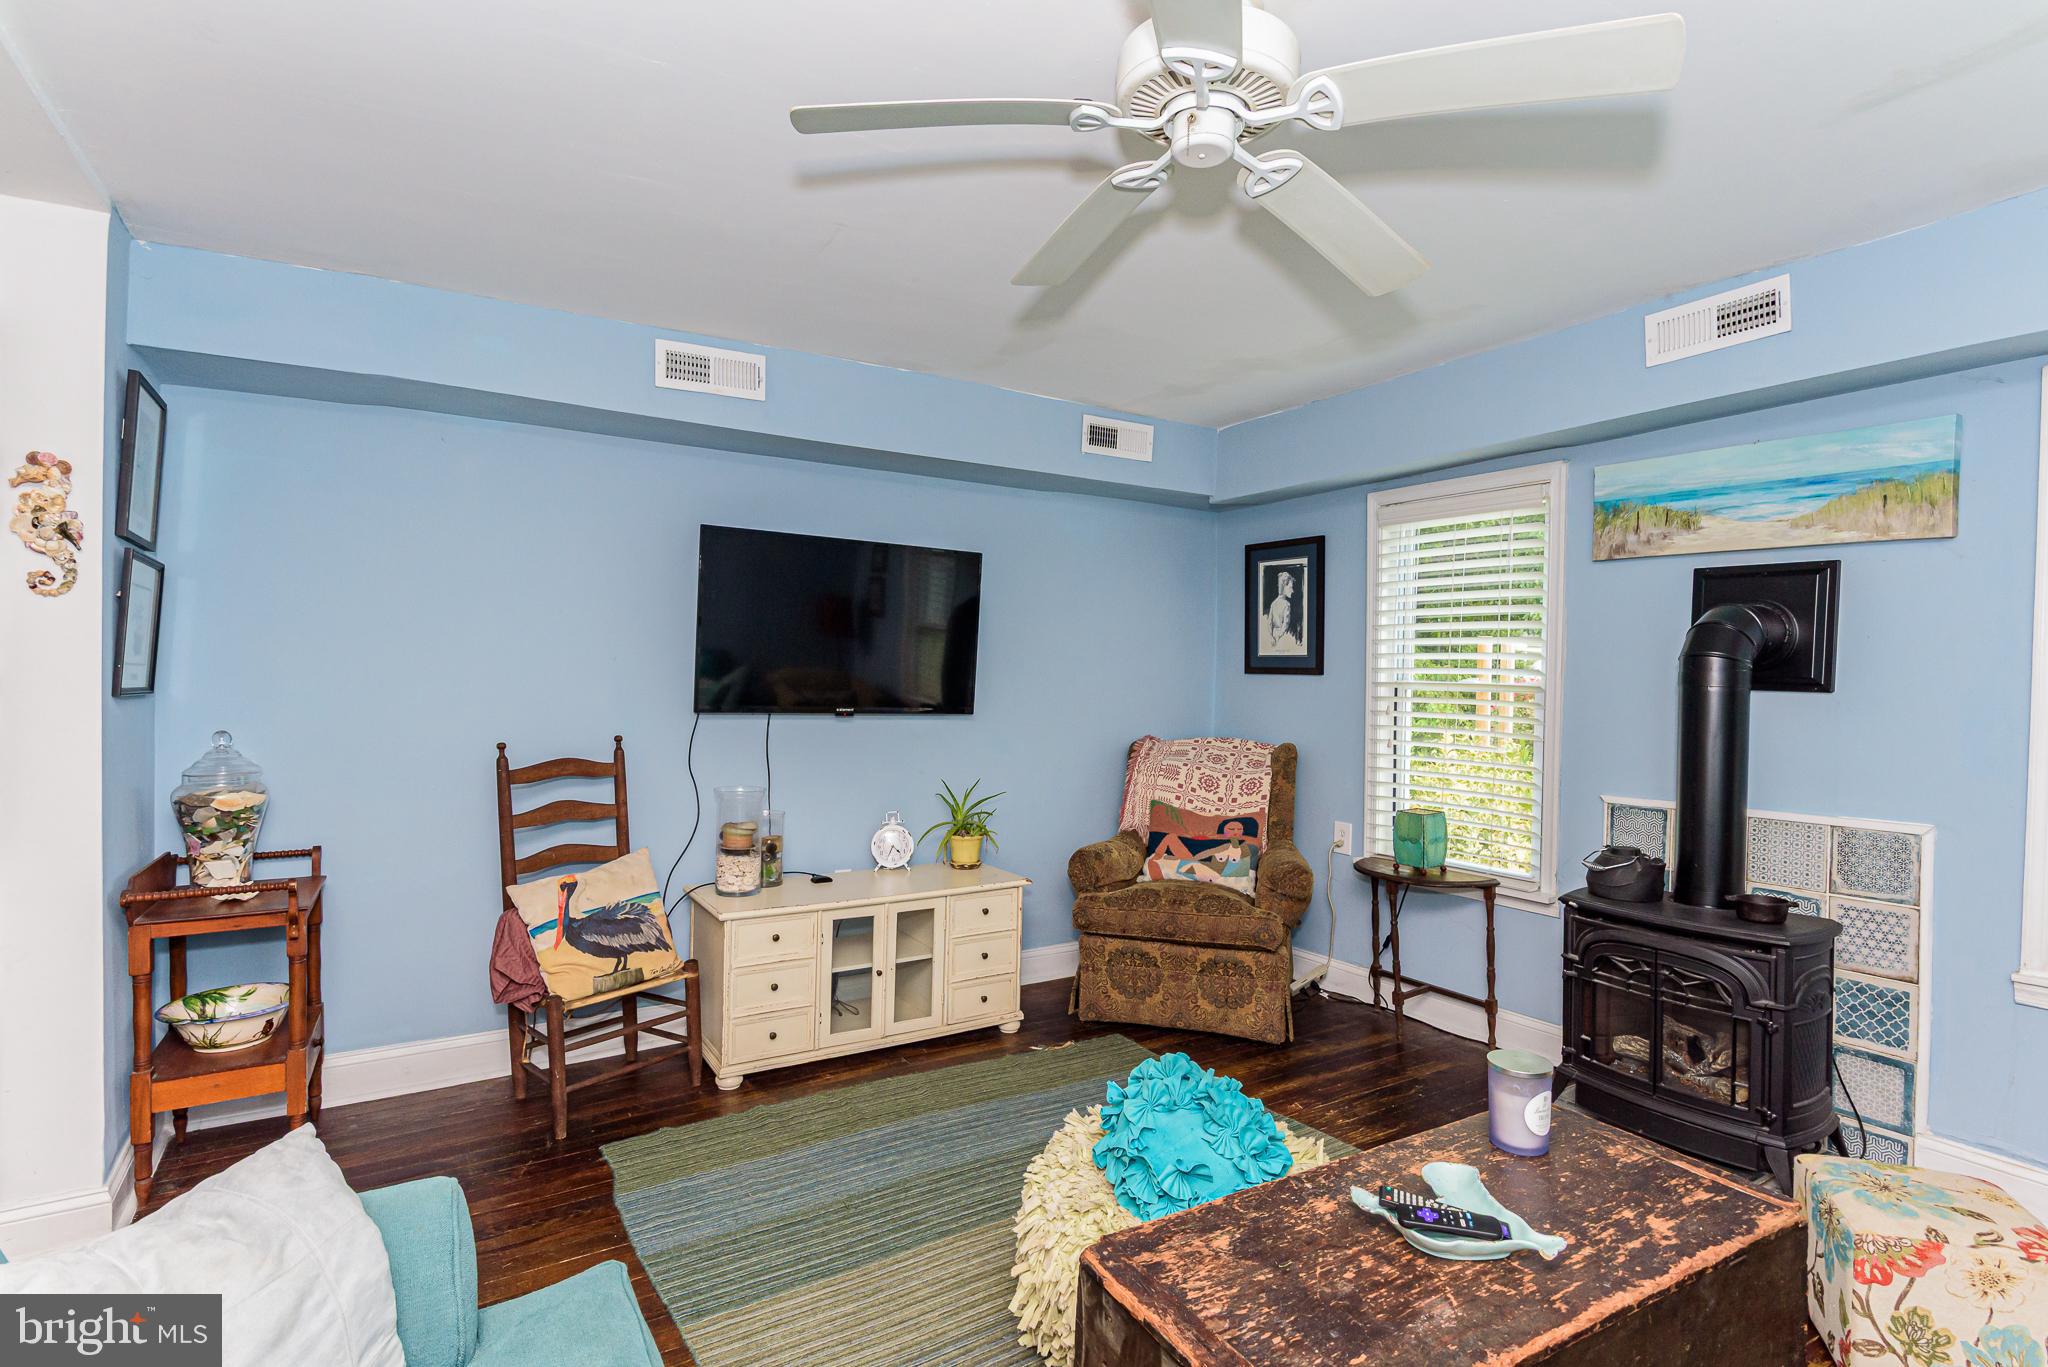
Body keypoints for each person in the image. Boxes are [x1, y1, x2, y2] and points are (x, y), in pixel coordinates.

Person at [1266, 571, 1300, 652]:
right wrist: (1279, 636)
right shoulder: (1287, 604)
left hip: (1273, 636)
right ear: (1284, 587)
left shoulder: (1273, 603)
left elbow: (1269, 623)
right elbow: (1286, 624)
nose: (1293, 591)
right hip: (1282, 637)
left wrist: (1271, 637)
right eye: (1291, 587)